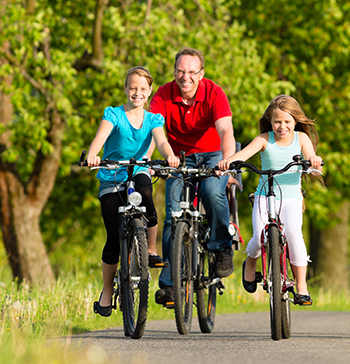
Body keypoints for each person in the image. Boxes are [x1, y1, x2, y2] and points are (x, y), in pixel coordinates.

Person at [85, 66, 180, 317]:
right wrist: (94, 154)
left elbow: (161, 141)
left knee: (147, 199)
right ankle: (107, 291)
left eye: (142, 88)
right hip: (112, 174)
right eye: (132, 88)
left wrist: (169, 156)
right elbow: (101, 137)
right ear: (126, 89)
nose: (137, 92)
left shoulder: (153, 119)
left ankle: (149, 248)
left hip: (138, 169)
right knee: (113, 239)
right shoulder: (113, 114)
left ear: (149, 91)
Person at [150, 47, 237, 306]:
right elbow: (154, 130)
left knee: (212, 192)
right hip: (178, 156)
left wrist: (227, 162)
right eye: (180, 71)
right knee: (173, 215)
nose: (184, 77)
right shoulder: (164, 94)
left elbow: (226, 132)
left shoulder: (214, 92)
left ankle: (221, 247)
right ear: (174, 72)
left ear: (201, 73)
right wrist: (154, 158)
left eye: (191, 71)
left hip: (213, 154)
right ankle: (169, 285)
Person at [218, 95, 322, 306]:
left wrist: (314, 163)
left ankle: (301, 286)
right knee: (258, 236)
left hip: (292, 198)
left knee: (294, 235)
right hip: (265, 197)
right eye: (277, 122)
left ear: (295, 121)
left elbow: (311, 158)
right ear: (270, 121)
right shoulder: (264, 139)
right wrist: (227, 163)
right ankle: (250, 264)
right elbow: (243, 155)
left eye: (287, 121)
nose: (282, 126)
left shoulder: (301, 138)